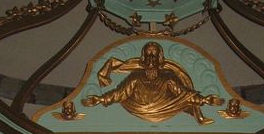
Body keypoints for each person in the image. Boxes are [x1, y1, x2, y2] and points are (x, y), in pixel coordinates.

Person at [82, 41, 223, 125]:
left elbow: (184, 94)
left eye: (153, 54)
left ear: (159, 58)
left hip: (165, 108)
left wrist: (205, 100)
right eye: (148, 54)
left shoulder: (167, 78)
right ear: (143, 57)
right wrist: (100, 99)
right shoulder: (135, 77)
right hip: (138, 108)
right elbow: (119, 93)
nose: (150, 58)